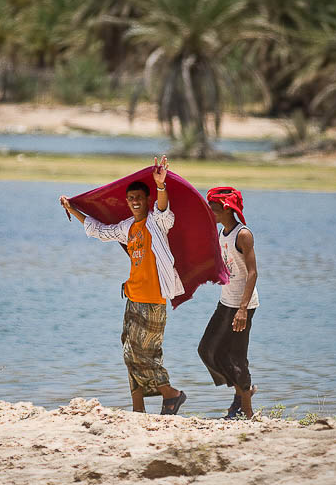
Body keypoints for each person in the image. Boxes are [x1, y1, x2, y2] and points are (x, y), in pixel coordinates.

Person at [59, 156, 187, 415]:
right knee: (129, 351)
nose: (135, 202)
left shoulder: (156, 223)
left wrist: (160, 185)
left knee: (142, 353)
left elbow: (164, 210)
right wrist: (72, 208)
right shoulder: (128, 227)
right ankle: (138, 408)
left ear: (147, 200)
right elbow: (100, 231)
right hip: (132, 297)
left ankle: (171, 394)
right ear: (127, 202)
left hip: (153, 299)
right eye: (131, 199)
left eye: (140, 197)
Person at [198, 186, 259, 419]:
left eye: (212, 209)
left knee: (236, 355)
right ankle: (242, 392)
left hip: (242, 305)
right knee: (207, 350)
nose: (209, 214)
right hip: (225, 301)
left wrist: (243, 309)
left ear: (225, 208)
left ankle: (246, 410)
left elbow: (252, 273)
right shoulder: (222, 232)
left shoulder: (243, 235)